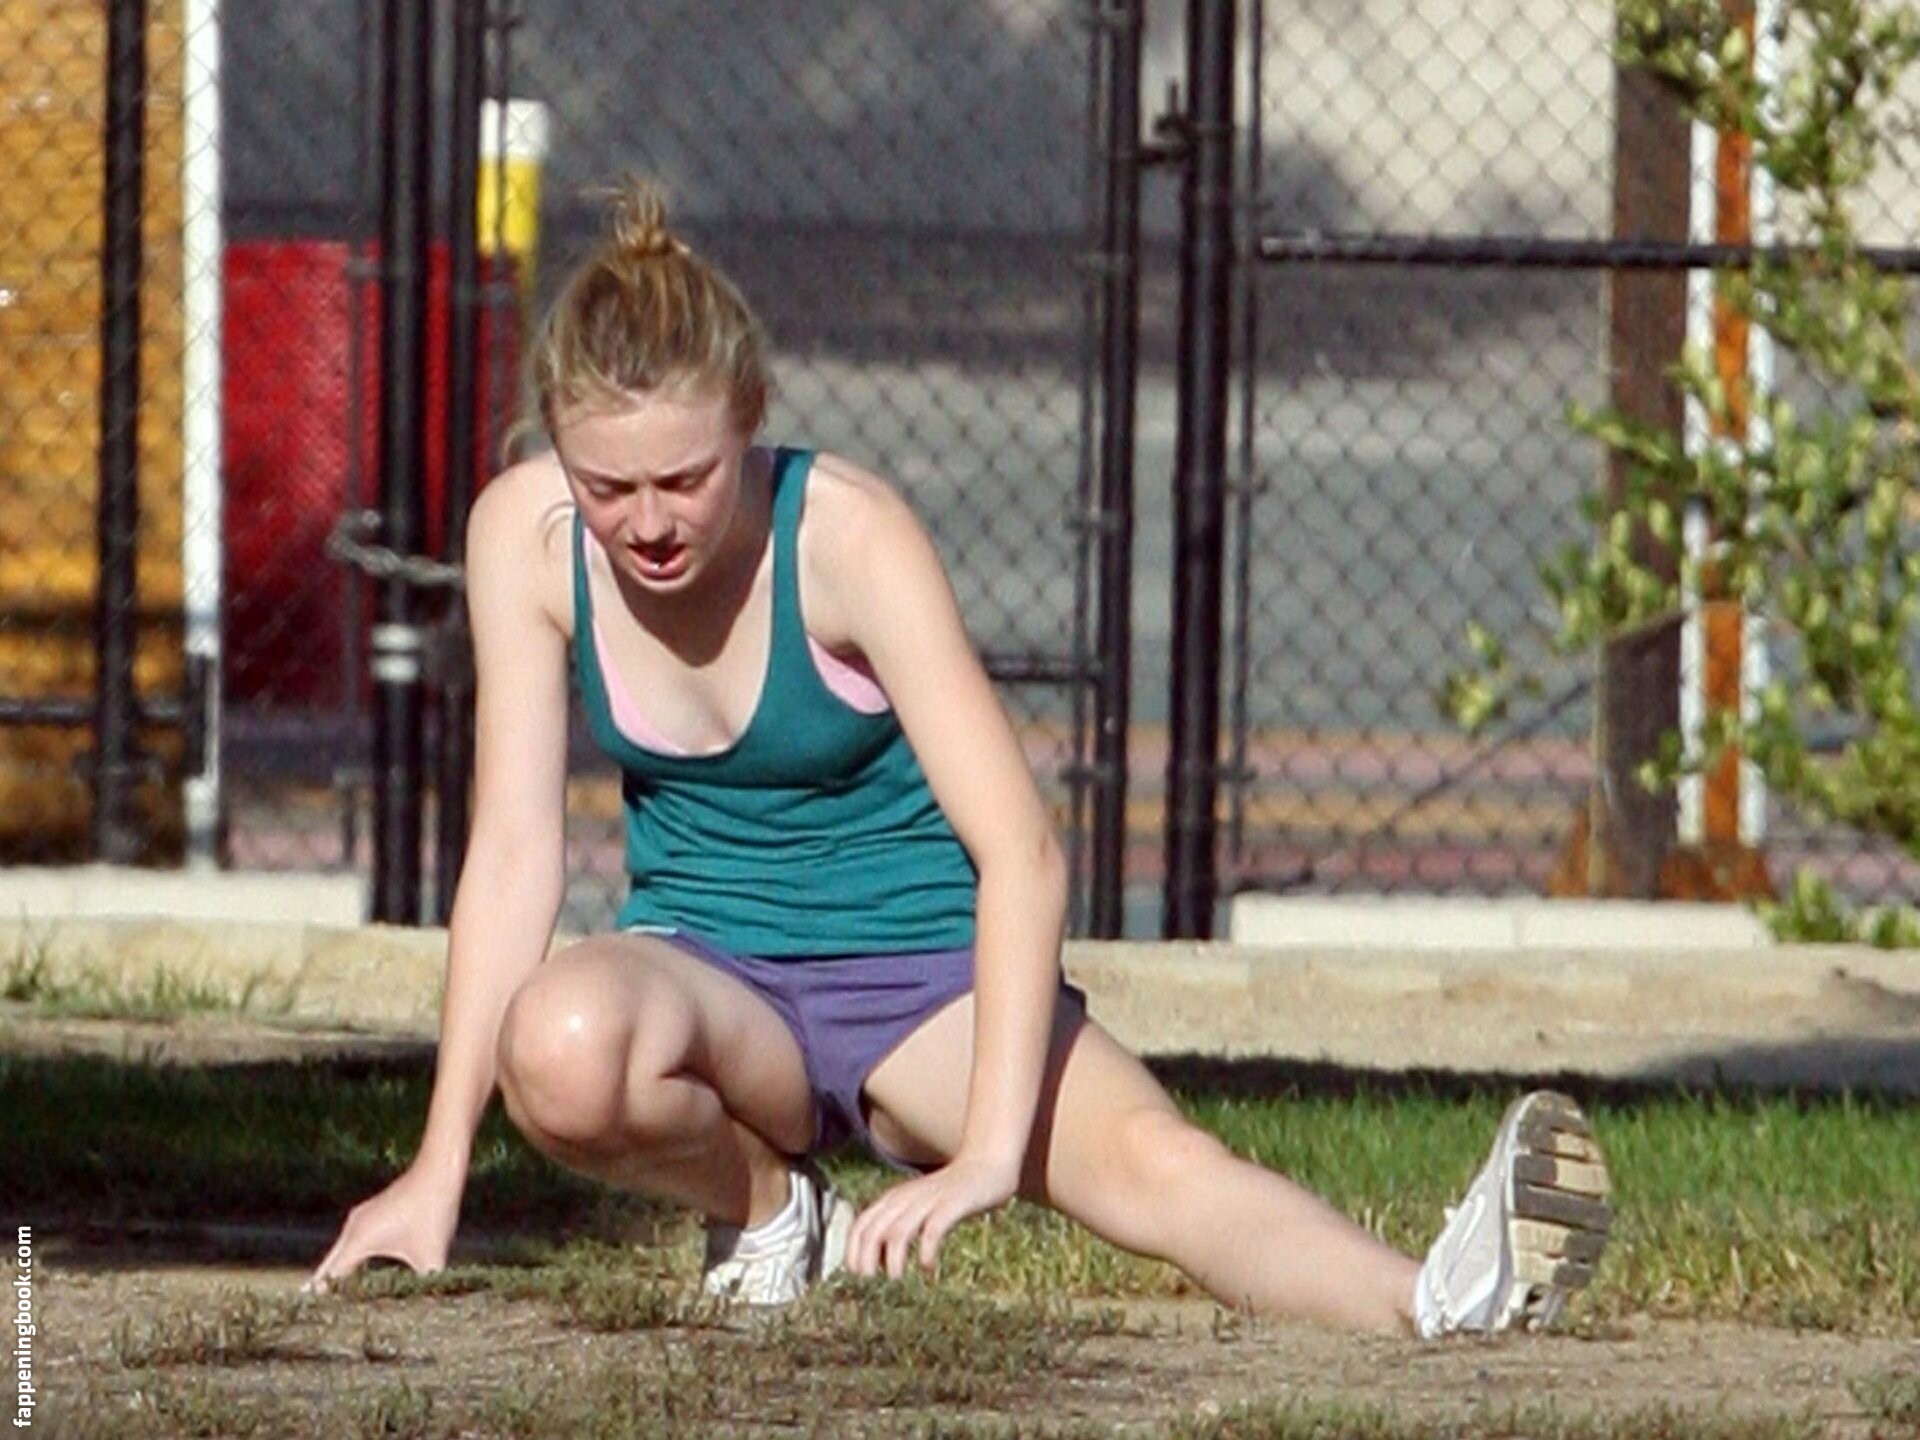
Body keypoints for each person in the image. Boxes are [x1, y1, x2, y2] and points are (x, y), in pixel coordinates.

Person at [306, 180, 1612, 1333]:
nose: (647, 523)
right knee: (563, 1039)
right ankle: (769, 1213)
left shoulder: (851, 536)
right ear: (556, 446)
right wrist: (438, 1168)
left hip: (921, 985)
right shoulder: (521, 538)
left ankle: (1440, 1299)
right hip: (711, 979)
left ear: (749, 418)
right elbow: (513, 856)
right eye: (608, 488)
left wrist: (989, 1152)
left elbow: (1021, 853)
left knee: (1156, 1167)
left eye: (685, 479)